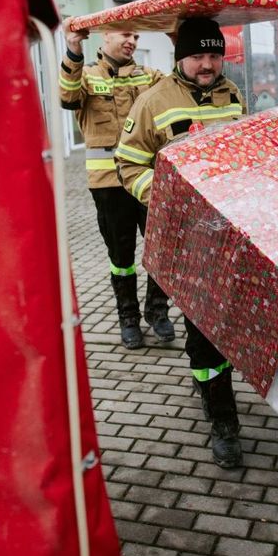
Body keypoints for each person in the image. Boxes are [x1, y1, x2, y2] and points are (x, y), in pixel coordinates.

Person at [115, 17, 247, 469]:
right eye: (198, 56)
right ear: (180, 57)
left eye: (214, 55)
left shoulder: (233, 95)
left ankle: (208, 383)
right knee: (203, 330)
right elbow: (128, 165)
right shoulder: (153, 101)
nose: (207, 64)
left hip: (227, 236)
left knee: (220, 327)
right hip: (184, 237)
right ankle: (224, 423)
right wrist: (169, 197)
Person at [59, 23, 173, 350]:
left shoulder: (149, 76)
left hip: (146, 180)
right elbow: (68, 95)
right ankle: (128, 318)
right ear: (105, 35)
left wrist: (178, 42)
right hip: (107, 184)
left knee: (161, 251)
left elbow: (178, 88)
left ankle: (157, 312)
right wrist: (73, 48)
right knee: (121, 257)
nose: (132, 41)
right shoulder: (87, 75)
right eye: (125, 34)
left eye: (135, 36)